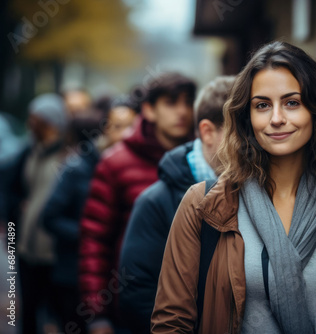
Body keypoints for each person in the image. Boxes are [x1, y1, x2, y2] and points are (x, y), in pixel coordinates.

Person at [151, 41, 316, 333]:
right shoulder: (202, 206)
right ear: (247, 118)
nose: (277, 119)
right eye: (262, 105)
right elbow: (171, 323)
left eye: (292, 102)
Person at [79, 73, 196, 334]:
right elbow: (94, 241)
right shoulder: (115, 162)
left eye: (188, 102)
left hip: (189, 307)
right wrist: (97, 313)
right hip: (127, 308)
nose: (182, 111)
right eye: (171, 102)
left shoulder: (200, 158)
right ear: (149, 110)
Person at [119, 76, 235, 334]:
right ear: (207, 132)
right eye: (240, 131)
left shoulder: (254, 191)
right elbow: (137, 293)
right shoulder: (155, 201)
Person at [3, 93, 68, 334]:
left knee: (55, 314)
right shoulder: (30, 152)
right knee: (28, 309)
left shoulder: (67, 156)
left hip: (52, 250)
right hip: (27, 246)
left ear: (48, 121)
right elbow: (13, 187)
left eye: (35, 118)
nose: (30, 122)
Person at [41, 111, 103, 334]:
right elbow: (49, 217)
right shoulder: (76, 169)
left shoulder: (102, 166)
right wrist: (86, 235)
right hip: (71, 272)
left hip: (94, 273)